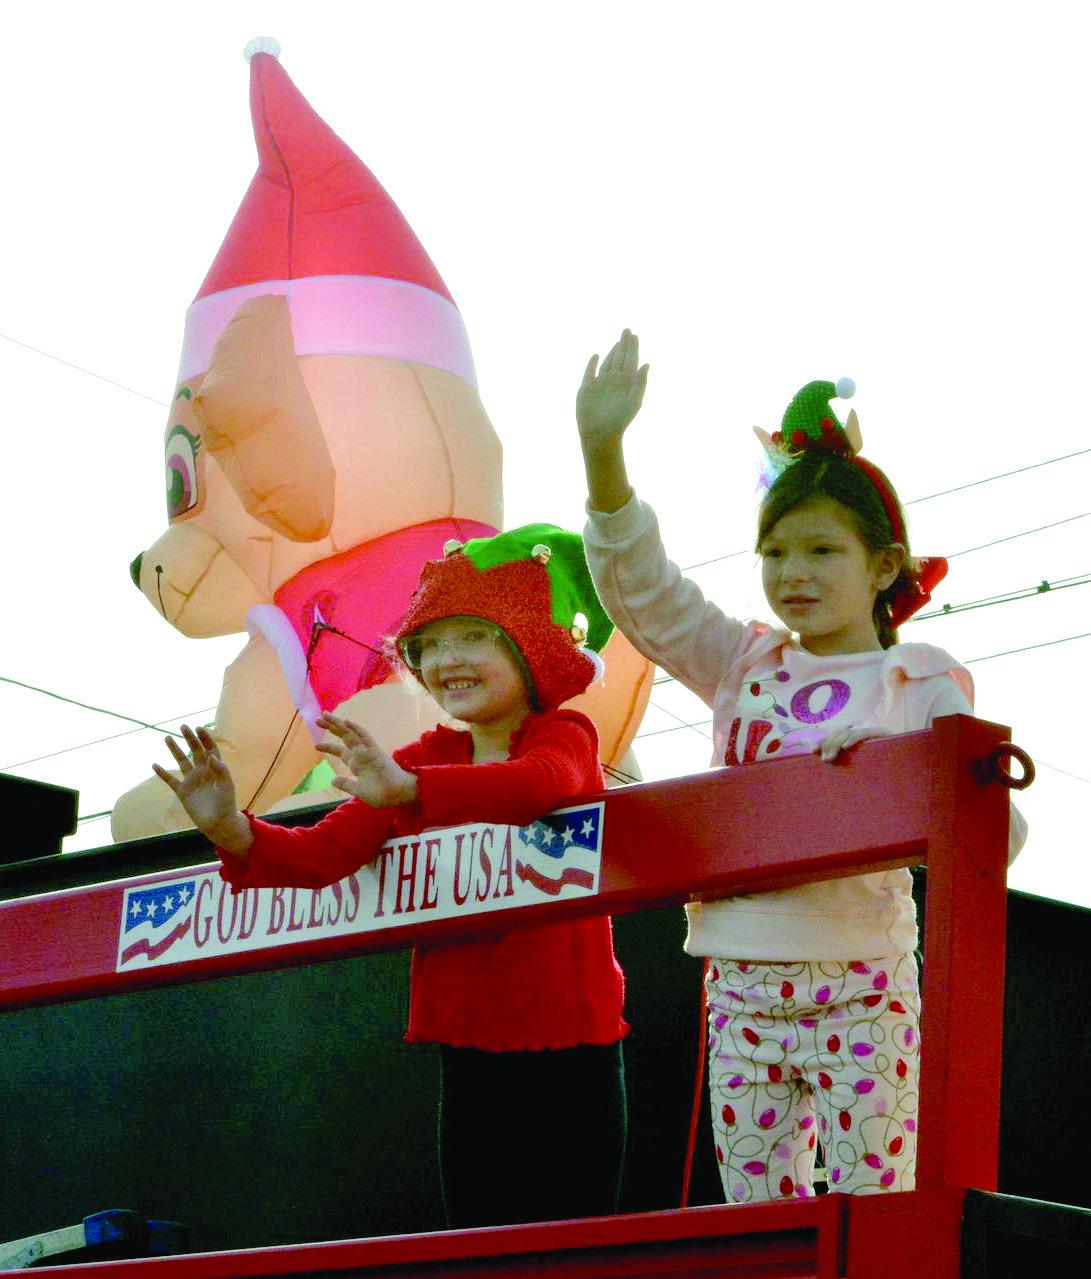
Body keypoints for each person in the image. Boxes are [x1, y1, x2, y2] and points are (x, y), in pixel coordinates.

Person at [575, 330, 1026, 1203]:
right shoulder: (744, 662)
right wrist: (603, 452)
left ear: (882, 565)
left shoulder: (915, 676)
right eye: (775, 551)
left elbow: (993, 834)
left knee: (878, 1210)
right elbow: (645, 593)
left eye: (821, 551)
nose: (793, 572)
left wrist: (896, 770)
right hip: (739, 984)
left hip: (862, 981)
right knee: (761, 1225)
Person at [152, 524, 628, 1229]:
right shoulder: (416, 758)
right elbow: (322, 853)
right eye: (428, 643)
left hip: (574, 1051)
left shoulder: (563, 736)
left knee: (576, 1243)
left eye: (471, 636)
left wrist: (411, 790)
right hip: (468, 1054)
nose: (445, 659)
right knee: (482, 1244)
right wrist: (232, 827)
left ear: (530, 646)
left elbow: (535, 787)